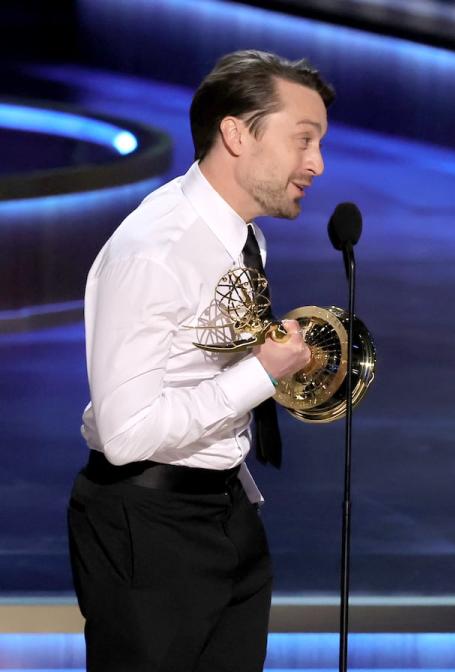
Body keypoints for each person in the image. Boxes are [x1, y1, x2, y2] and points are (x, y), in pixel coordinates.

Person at [67, 50, 334, 671]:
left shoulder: (242, 235)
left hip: (227, 506)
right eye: (304, 140)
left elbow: (204, 368)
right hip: (149, 527)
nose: (317, 164)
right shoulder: (156, 251)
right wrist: (262, 374)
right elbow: (128, 434)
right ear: (237, 133)